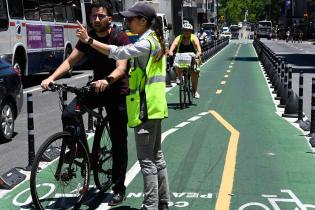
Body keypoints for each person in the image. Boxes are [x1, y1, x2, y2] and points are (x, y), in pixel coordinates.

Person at [76, 2, 170, 210]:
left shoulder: (146, 43)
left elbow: (118, 52)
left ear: (143, 21)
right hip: (155, 106)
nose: (127, 22)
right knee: (157, 158)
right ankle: (162, 203)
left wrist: (89, 41)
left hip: (145, 107)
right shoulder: (154, 40)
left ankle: (151, 206)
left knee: (147, 162)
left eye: (131, 19)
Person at [41, 0, 129, 206]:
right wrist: (52, 78)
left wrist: (107, 81)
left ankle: (118, 188)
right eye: (93, 16)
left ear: (109, 18)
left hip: (115, 89)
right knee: (69, 112)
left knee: (118, 142)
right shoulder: (86, 38)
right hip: (96, 87)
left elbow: (121, 68)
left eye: (101, 16)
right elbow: (71, 61)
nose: (96, 19)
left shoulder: (119, 37)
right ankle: (79, 147)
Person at [168, 22, 202, 98]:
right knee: (176, 64)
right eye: (185, 30)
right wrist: (170, 51)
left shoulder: (193, 38)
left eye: (188, 30)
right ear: (182, 31)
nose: (186, 32)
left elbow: (198, 46)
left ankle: (195, 91)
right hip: (181, 58)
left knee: (194, 73)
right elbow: (174, 44)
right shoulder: (179, 37)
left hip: (192, 58)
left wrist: (198, 53)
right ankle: (180, 78)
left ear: (191, 31)